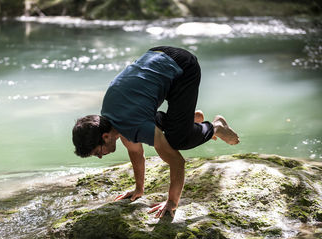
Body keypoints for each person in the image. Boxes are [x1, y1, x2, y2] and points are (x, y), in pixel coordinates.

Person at [72, 46, 239, 218]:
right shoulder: (112, 119)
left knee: (177, 140)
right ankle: (189, 120)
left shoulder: (133, 126)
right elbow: (135, 152)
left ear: (105, 136)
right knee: (162, 127)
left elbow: (177, 162)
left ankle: (215, 127)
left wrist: (172, 203)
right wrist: (139, 189)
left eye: (97, 152)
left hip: (183, 67)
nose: (100, 156)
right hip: (158, 56)